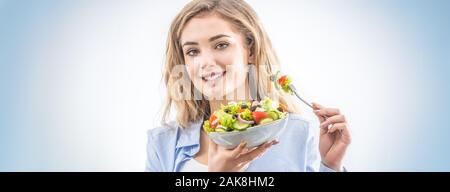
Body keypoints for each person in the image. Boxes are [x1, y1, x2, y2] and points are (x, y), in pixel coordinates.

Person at [146, 0, 351, 172]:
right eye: (192, 51)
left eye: (221, 45)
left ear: (250, 51)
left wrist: (331, 165)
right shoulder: (162, 143)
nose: (205, 62)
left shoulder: (299, 133)